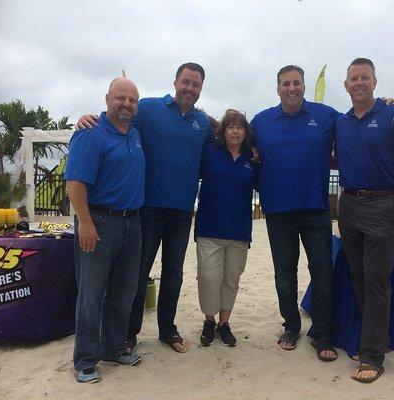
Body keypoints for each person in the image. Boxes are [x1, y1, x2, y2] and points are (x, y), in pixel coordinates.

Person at [76, 63, 213, 353]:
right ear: (175, 82)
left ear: (201, 88)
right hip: (147, 209)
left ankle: (168, 331)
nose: (190, 88)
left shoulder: (203, 123)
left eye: (196, 84)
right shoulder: (149, 108)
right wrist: (86, 118)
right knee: (137, 274)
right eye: (185, 81)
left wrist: (252, 148)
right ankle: (128, 333)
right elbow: (116, 122)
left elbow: (227, 141)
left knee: (174, 273)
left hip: (182, 211)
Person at [336, 58, 394, 383]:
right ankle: (378, 340)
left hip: (385, 205)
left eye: (364, 78)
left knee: (376, 280)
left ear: (374, 82)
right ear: (346, 85)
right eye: (353, 78)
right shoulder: (341, 123)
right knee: (358, 276)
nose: (359, 83)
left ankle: (372, 355)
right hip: (349, 205)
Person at [250, 66, 339, 362]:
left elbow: (357, 125)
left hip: (316, 208)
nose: (292, 88)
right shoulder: (261, 122)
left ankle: (323, 333)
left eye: (297, 83)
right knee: (284, 274)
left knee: (323, 272)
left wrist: (385, 104)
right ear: (277, 89)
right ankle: (291, 326)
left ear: (304, 85)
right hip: (278, 211)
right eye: (286, 84)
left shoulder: (326, 116)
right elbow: (233, 141)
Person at [65, 77, 145, 383]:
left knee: (124, 291)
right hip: (98, 222)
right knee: (91, 293)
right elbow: (75, 183)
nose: (126, 104)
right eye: (120, 98)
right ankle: (85, 360)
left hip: (132, 222)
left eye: (132, 100)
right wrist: (85, 222)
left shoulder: (135, 134)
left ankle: (114, 348)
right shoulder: (90, 133)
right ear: (107, 98)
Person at [195, 109, 258, 347]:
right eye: (230, 126)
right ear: (223, 130)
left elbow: (265, 183)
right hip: (209, 226)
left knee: (231, 279)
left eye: (239, 127)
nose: (235, 131)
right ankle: (209, 320)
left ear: (245, 132)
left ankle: (224, 323)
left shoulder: (252, 159)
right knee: (209, 277)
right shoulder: (210, 152)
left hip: (239, 229)